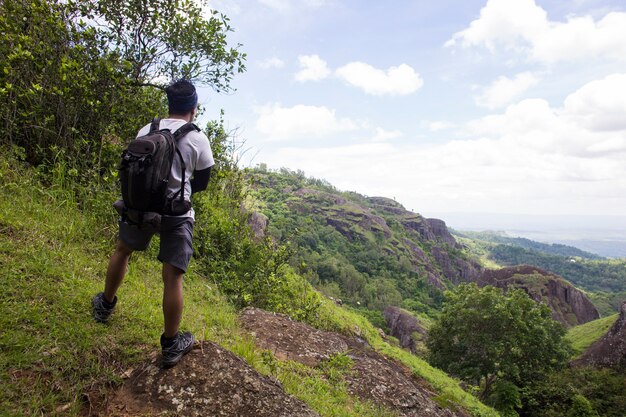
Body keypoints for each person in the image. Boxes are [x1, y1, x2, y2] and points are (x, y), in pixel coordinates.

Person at [92, 79, 214, 368]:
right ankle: (171, 344)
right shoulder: (197, 138)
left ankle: (104, 306)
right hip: (176, 214)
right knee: (172, 277)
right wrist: (176, 191)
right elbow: (203, 182)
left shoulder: (147, 130)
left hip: (140, 208)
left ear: (169, 105)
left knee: (123, 251)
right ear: (193, 109)